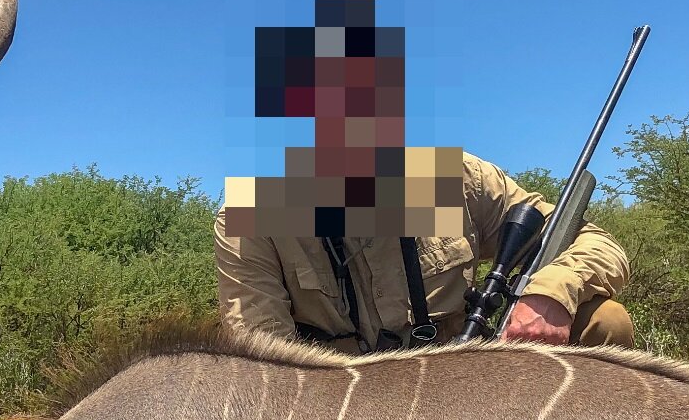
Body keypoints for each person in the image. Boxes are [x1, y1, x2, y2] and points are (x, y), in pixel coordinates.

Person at [216, 150, 634, 352]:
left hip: (462, 379)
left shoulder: (454, 178)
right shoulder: (253, 213)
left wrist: (550, 291)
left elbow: (598, 242)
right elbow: (265, 357)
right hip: (341, 405)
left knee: (605, 321)